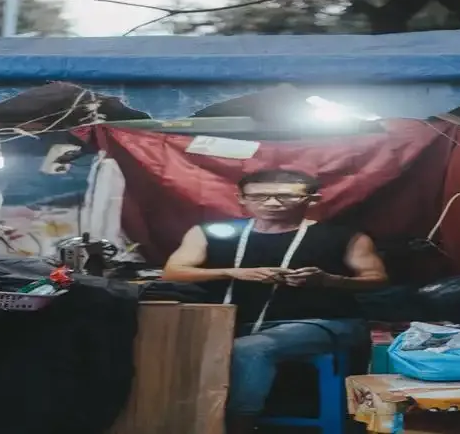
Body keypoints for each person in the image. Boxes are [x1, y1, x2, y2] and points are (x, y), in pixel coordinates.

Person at [163, 169, 388, 434]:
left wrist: (328, 280)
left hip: (322, 322)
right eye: (259, 196)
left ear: (312, 199)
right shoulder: (210, 233)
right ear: (241, 199)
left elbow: (377, 279)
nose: (271, 203)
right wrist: (233, 272)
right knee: (166, 344)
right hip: (232, 321)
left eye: (285, 196)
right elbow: (173, 272)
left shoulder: (344, 236)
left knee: (250, 349)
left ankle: (239, 426)